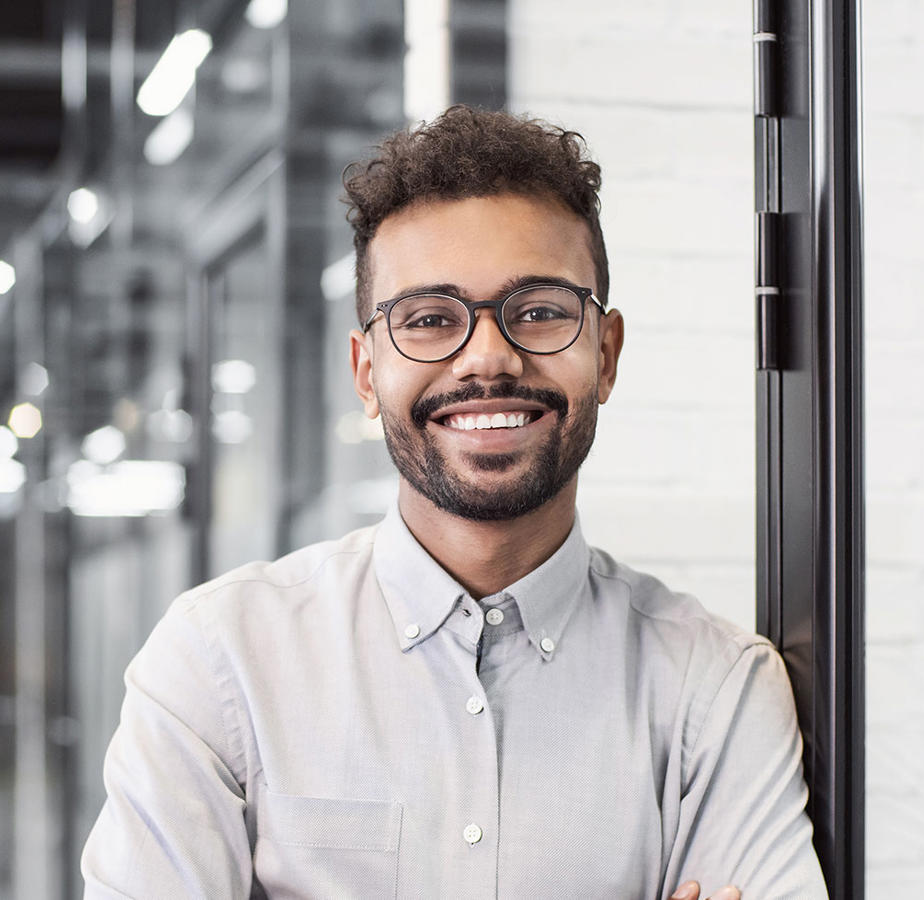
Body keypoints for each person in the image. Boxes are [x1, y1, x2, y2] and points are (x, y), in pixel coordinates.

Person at [79, 106, 826, 899]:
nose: (488, 357)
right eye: (430, 320)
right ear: (367, 374)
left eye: (539, 310)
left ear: (604, 355)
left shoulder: (714, 692)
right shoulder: (221, 661)